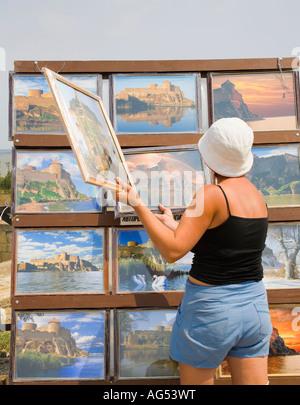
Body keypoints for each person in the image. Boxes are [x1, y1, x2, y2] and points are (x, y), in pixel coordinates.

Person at [116, 117, 273, 385]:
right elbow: (223, 242)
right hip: (255, 306)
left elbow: (173, 251)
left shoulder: (210, 194)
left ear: (209, 159)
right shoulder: (255, 196)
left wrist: (137, 205)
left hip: (211, 310)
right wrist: (176, 225)